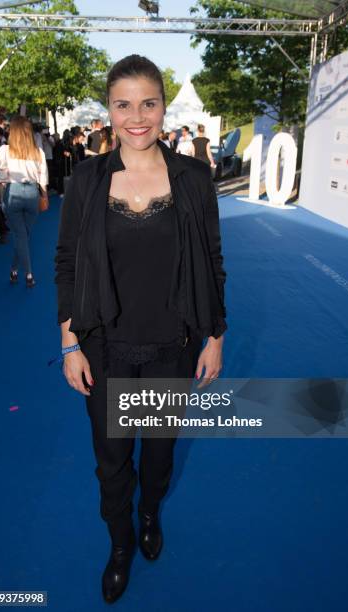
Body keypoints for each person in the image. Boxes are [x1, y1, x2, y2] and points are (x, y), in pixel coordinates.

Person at [54, 54, 227, 605]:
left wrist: (215, 335)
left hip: (171, 347)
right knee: (111, 461)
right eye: (123, 104)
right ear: (108, 110)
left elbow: (213, 258)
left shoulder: (194, 178)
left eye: (148, 103)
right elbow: (66, 264)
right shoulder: (85, 178)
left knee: (157, 455)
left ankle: (150, 512)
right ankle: (121, 543)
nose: (136, 116)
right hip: (104, 348)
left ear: (162, 108)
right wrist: (70, 342)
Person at [0, 116, 48, 287]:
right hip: (32, 194)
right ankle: (16, 270)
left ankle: (27, 274)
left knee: (21, 236)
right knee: (24, 235)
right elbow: (43, 178)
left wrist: (3, 199)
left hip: (14, 193)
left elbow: (2, 178)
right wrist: (44, 196)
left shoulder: (4, 150)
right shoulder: (38, 152)